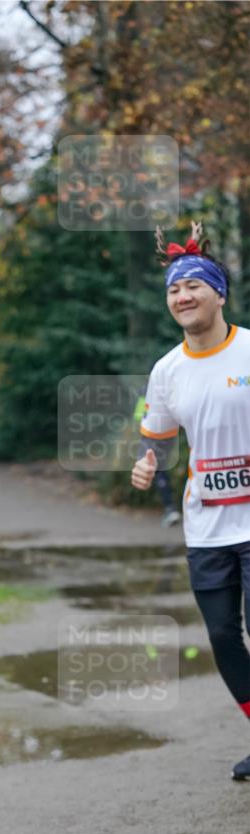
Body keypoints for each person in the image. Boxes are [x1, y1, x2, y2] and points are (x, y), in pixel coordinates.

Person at [131, 222, 250, 780]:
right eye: (174, 289)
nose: (182, 296)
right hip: (207, 529)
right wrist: (147, 463)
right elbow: (157, 439)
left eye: (194, 285)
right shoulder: (167, 370)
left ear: (218, 293)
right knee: (223, 636)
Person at [133, 388, 181, 527]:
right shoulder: (168, 387)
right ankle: (170, 508)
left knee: (157, 470)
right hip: (169, 437)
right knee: (160, 470)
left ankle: (170, 509)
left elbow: (138, 417)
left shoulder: (146, 390)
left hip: (152, 439)